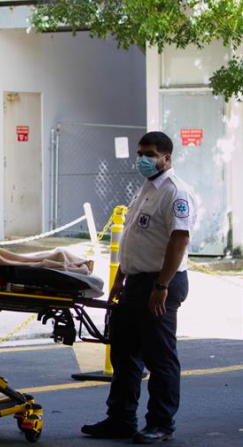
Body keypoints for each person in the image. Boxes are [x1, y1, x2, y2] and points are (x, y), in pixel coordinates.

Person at [81, 131, 196, 444]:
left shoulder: (176, 192)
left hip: (159, 282)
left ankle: (161, 423)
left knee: (160, 358)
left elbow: (179, 240)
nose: (143, 159)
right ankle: (120, 419)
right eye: (140, 153)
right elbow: (134, 238)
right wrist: (121, 278)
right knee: (125, 355)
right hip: (135, 281)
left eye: (149, 154)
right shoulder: (147, 188)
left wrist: (162, 285)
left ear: (166, 158)